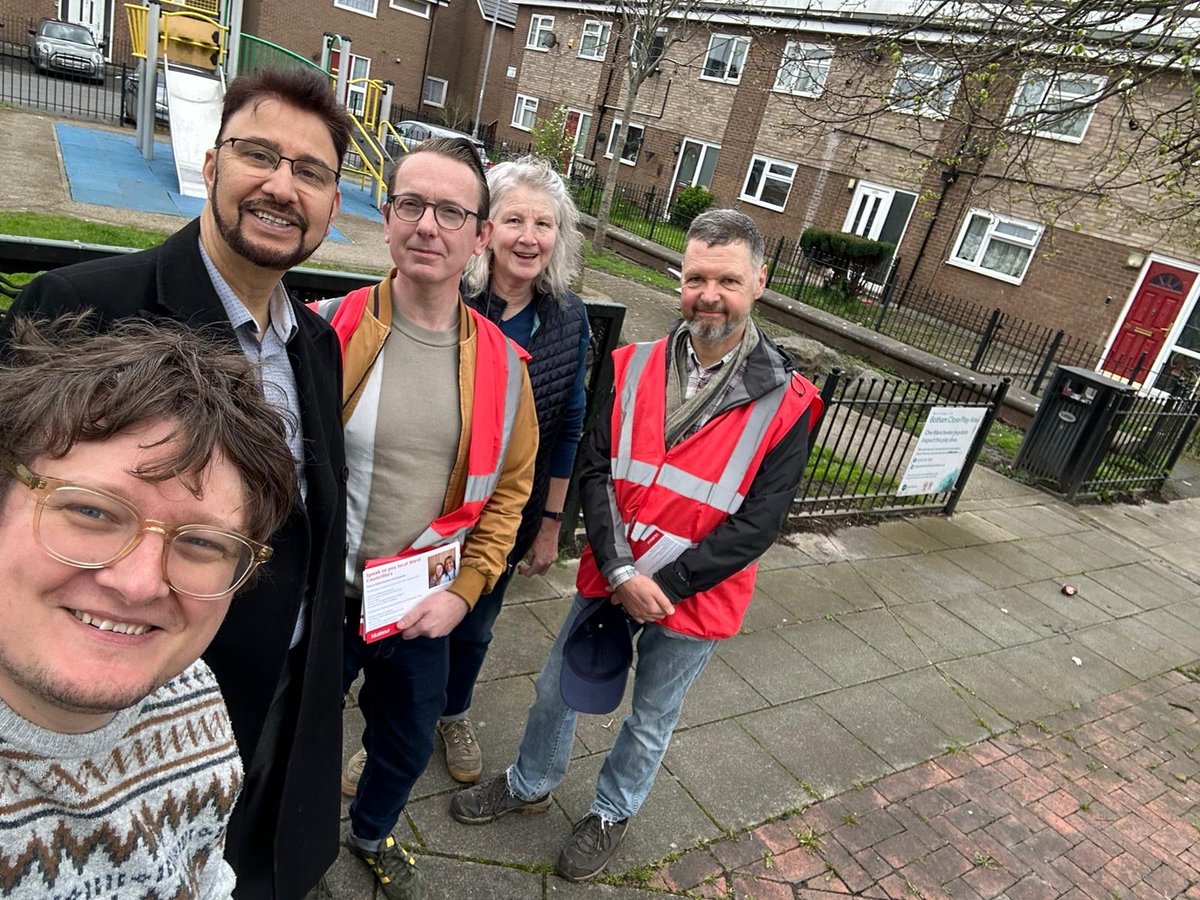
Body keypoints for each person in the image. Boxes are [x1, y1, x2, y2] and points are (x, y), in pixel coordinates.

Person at [3, 68, 352, 900]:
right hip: (127, 689)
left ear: (334, 205)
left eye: (311, 172)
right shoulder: (83, 307)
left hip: (284, 691)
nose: (281, 185)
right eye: (258, 154)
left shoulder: (316, 342)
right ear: (210, 165)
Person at [450, 209, 824, 881]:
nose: (709, 294)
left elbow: (760, 522)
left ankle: (611, 813)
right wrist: (621, 567)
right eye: (696, 276)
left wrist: (668, 585)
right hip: (612, 575)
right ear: (681, 279)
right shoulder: (633, 363)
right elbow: (596, 469)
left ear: (760, 282)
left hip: (696, 596)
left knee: (651, 717)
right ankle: (531, 782)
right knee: (553, 691)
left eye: (728, 280)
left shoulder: (790, 401)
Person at [0, 316, 297, 899]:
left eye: (203, 543)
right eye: (91, 512)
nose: (139, 586)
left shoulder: (191, 690)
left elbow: (204, 872)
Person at [312, 137, 537, 900]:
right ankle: (285, 847)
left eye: (451, 211)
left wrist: (465, 592)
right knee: (293, 739)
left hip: (419, 605)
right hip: (319, 596)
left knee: (405, 748)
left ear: (479, 236)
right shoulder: (323, 330)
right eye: (411, 204)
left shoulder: (506, 366)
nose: (427, 226)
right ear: (386, 217)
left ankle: (371, 834)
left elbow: (510, 493)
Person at [433, 155, 590, 784]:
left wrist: (550, 523)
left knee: (473, 629)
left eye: (544, 224)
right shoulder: (448, 297)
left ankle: (452, 714)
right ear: (485, 229)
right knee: (413, 625)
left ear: (558, 238)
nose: (529, 236)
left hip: (508, 517)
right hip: (434, 503)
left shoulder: (568, 317)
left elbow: (569, 426)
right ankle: (398, 723)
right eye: (514, 219)